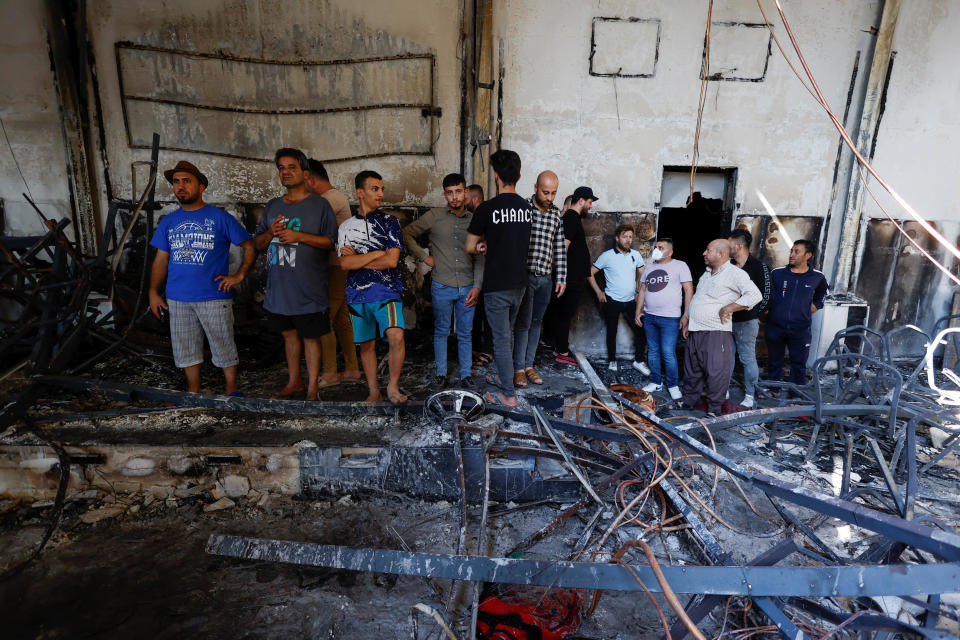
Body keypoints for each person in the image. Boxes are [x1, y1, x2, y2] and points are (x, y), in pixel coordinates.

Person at [148, 161, 255, 396]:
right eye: (176, 182)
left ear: (201, 186)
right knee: (185, 348)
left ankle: (231, 390)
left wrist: (239, 275)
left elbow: (249, 245)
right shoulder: (168, 222)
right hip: (177, 297)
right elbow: (161, 260)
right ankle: (194, 391)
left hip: (214, 294)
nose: (180, 187)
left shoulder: (220, 218)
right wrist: (153, 292)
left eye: (187, 181)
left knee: (223, 344)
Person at [254, 148, 338, 400]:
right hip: (279, 288)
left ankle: (312, 386)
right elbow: (257, 244)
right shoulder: (272, 206)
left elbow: (330, 242)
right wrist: (270, 233)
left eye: (291, 167)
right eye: (281, 168)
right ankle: (294, 381)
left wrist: (298, 236)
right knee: (289, 335)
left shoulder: (320, 205)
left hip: (309, 287)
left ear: (304, 172)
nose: (286, 172)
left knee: (311, 337)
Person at [466, 149, 533, 407]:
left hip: (496, 286)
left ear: (495, 177)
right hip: (519, 284)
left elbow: (470, 246)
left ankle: (508, 394)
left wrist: (483, 246)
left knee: (501, 339)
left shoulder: (487, 208)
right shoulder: (526, 209)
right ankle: (507, 376)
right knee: (509, 333)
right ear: (518, 176)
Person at [403, 173, 482, 387]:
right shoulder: (434, 216)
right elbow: (407, 233)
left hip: (467, 285)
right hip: (442, 285)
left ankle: (466, 374)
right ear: (445, 195)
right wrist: (424, 256)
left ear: (465, 192)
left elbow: (480, 257)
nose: (454, 197)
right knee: (441, 331)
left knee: (465, 332)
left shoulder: (475, 220)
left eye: (458, 191)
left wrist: (477, 286)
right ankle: (441, 372)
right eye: (450, 193)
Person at [338, 170, 408, 404]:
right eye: (375, 189)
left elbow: (392, 261)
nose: (381, 194)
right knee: (366, 346)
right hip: (357, 295)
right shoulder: (346, 227)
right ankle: (374, 391)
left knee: (396, 336)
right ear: (360, 193)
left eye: (382, 189)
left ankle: (393, 387)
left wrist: (360, 256)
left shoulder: (390, 222)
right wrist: (375, 253)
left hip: (387, 291)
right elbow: (345, 264)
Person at [680, 239, 762, 414]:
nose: (704, 253)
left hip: (716, 331)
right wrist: (688, 318)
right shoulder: (706, 274)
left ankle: (714, 408)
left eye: (708, 250)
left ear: (721, 254)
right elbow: (698, 299)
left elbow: (755, 295)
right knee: (692, 369)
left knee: (716, 372)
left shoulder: (735, 273)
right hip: (696, 329)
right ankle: (689, 400)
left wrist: (730, 307)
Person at [305, 158, 361, 387]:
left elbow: (311, 227)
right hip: (338, 265)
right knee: (340, 319)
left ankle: (330, 372)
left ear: (310, 178)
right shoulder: (332, 198)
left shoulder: (329, 200)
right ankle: (352, 368)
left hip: (334, 266)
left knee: (324, 318)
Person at [513, 170, 566, 387]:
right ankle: (517, 369)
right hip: (524, 277)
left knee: (536, 323)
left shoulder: (556, 216)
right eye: (545, 192)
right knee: (522, 323)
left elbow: (560, 248)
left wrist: (561, 277)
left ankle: (528, 365)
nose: (550, 197)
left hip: (545, 278)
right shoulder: (522, 209)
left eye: (554, 193)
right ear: (535, 188)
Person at [765, 239, 828, 386]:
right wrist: (767, 309)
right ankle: (773, 389)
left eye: (797, 251)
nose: (792, 255)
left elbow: (823, 293)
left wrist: (814, 306)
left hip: (801, 329)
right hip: (775, 326)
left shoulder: (817, 276)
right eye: (791, 251)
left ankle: (796, 394)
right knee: (774, 360)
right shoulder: (777, 273)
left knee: (798, 364)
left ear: (808, 255)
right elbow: (767, 294)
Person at [635, 238, 692, 401]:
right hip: (649, 316)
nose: (657, 249)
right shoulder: (650, 267)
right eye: (656, 247)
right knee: (652, 350)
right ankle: (655, 381)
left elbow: (688, 290)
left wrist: (686, 314)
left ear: (670, 252)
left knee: (668, 352)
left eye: (661, 247)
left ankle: (673, 385)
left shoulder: (680, 266)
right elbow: (643, 289)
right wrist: (638, 311)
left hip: (670, 318)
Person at [588, 224, 649, 373]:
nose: (628, 240)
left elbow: (644, 274)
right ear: (617, 238)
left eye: (630, 237)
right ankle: (612, 360)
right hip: (612, 300)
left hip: (630, 301)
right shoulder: (607, 256)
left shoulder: (636, 254)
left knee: (641, 328)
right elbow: (590, 273)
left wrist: (639, 290)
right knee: (612, 331)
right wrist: (598, 292)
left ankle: (639, 361)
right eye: (624, 236)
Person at [551, 186, 596, 366]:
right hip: (569, 279)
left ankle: (561, 348)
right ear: (581, 200)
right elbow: (563, 247)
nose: (591, 206)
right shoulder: (571, 217)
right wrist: (563, 277)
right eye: (590, 202)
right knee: (564, 314)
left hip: (572, 277)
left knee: (564, 314)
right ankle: (561, 351)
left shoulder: (573, 218)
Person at [727, 229, 771, 408]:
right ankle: (724, 390)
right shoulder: (727, 266)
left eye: (729, 244)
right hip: (725, 321)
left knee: (747, 358)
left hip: (747, 322)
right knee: (726, 358)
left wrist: (757, 315)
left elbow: (767, 294)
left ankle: (750, 395)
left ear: (738, 246)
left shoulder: (759, 266)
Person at [467, 183, 493, 366]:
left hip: (487, 273)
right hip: (480, 273)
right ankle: (477, 348)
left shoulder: (483, 215)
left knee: (486, 314)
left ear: (475, 199)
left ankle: (487, 350)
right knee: (477, 313)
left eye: (466, 197)